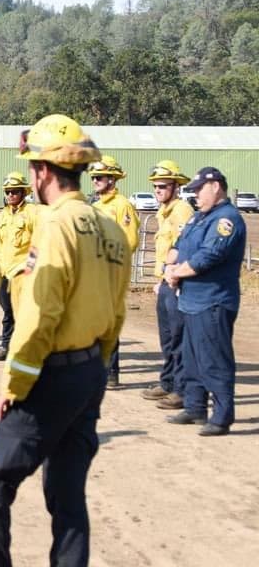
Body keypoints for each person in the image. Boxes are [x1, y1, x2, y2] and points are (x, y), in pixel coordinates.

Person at [0, 114, 130, 567]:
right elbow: (117, 310)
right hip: (89, 371)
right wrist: (98, 366)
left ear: (42, 171)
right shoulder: (108, 229)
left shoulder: (55, 225)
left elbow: (41, 312)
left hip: (51, 374)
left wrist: (15, 385)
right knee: (68, 495)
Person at [164, 167, 246, 436]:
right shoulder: (199, 217)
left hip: (212, 301)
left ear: (216, 187)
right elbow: (178, 245)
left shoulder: (227, 219)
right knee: (191, 358)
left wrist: (177, 272)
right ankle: (194, 406)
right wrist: (170, 267)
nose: (195, 194)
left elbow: (209, 256)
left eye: (199, 189)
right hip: (189, 299)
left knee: (214, 360)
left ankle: (222, 417)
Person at [140, 160, 195, 410]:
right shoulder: (165, 212)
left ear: (175, 186)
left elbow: (184, 246)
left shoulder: (182, 210)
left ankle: (182, 390)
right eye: (155, 186)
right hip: (164, 282)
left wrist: (172, 277)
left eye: (163, 186)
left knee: (178, 336)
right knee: (166, 337)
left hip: (177, 283)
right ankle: (169, 381)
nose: (158, 190)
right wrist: (158, 280)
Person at [88, 154, 138, 387]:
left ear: (113, 179)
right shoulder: (95, 206)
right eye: (94, 177)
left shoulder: (122, 205)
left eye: (101, 176)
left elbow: (130, 241)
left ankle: (110, 373)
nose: (96, 180)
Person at [0, 172, 38, 362]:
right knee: (8, 311)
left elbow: (39, 242)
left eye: (14, 191)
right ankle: (6, 347)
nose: (10, 195)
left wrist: (31, 268)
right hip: (5, 272)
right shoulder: (3, 214)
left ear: (23, 193)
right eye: (8, 192)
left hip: (23, 273)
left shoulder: (32, 213)